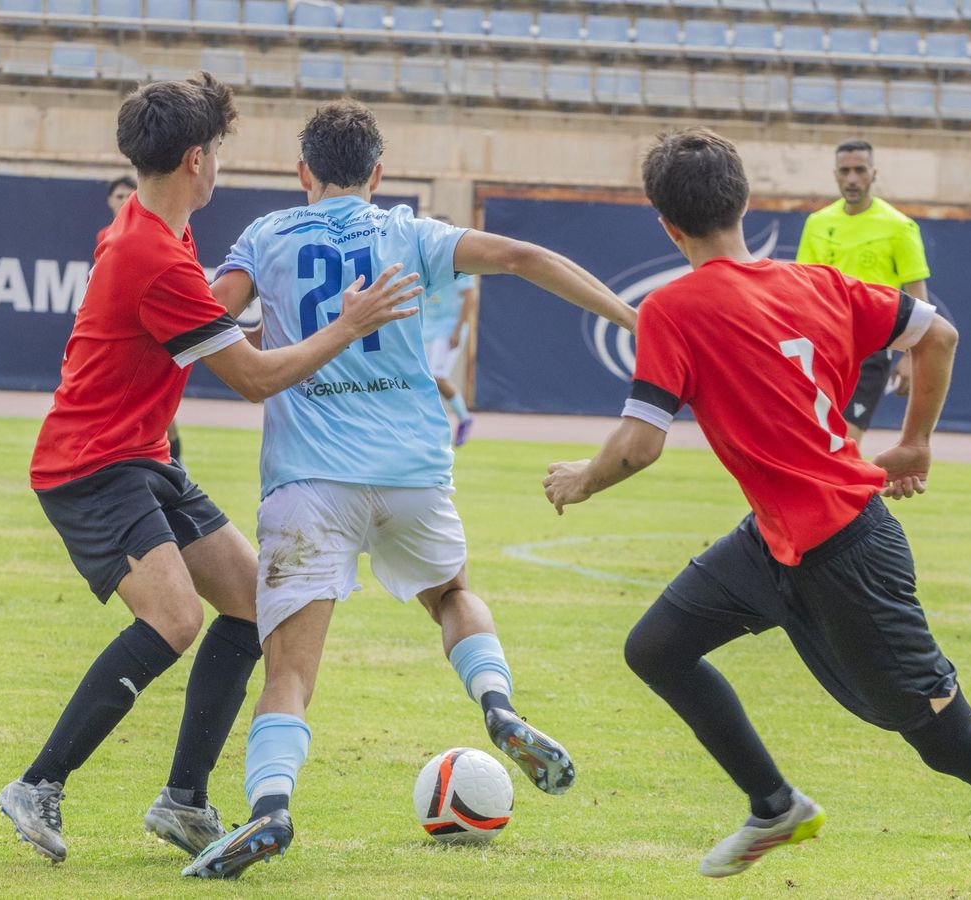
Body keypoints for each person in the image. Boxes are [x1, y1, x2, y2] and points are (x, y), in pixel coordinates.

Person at [542, 128, 971, 898]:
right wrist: (915, 442)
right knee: (656, 647)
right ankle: (775, 806)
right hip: (774, 543)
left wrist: (581, 479)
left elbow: (639, 446)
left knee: (949, 741)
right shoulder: (816, 282)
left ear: (667, 227)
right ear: (745, 203)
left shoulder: (671, 310)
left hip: (848, 552)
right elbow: (939, 333)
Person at [181, 99, 636, 880]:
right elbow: (525, 256)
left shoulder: (266, 237)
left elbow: (203, 323)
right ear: (379, 174)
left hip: (310, 481)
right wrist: (628, 314)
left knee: (289, 670)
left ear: (303, 174)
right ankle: (497, 706)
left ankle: (270, 810)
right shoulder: (408, 232)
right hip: (413, 473)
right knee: (453, 593)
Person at [0, 74, 423, 866]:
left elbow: (210, 321)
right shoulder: (154, 253)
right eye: (220, 148)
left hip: (141, 455)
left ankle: (183, 801)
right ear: (198, 158)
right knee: (174, 619)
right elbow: (256, 378)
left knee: (250, 603)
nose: (222, 161)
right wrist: (348, 323)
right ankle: (38, 784)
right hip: (90, 464)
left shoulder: (155, 226)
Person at [796, 139, 930, 442]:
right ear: (835, 175)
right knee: (815, 441)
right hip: (825, 348)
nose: (852, 179)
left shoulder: (899, 227)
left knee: (847, 442)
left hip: (871, 348)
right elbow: (804, 291)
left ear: (874, 173)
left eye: (859, 170)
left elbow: (918, 295)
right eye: (845, 171)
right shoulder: (817, 223)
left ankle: (857, 490)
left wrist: (911, 356)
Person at [100, 174, 187, 462]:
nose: (124, 200)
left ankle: (174, 460)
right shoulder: (107, 237)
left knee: (162, 408)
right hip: (123, 333)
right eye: (119, 196)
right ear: (109, 202)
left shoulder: (156, 235)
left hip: (151, 330)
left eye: (129, 195)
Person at [421, 216, 481, 446]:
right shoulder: (425, 256)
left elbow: (469, 297)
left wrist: (457, 329)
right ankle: (429, 426)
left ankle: (463, 418)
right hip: (428, 327)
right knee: (424, 378)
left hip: (448, 328)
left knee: (438, 376)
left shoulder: (459, 259)